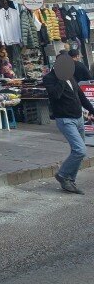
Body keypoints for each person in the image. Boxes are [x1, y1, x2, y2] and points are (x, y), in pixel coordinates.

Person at [43, 52, 94, 194]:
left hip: (78, 118)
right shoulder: (49, 78)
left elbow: (81, 96)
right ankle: (63, 175)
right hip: (65, 119)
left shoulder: (71, 77)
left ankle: (69, 180)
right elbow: (55, 95)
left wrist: (91, 110)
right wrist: (61, 77)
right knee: (80, 150)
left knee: (78, 151)